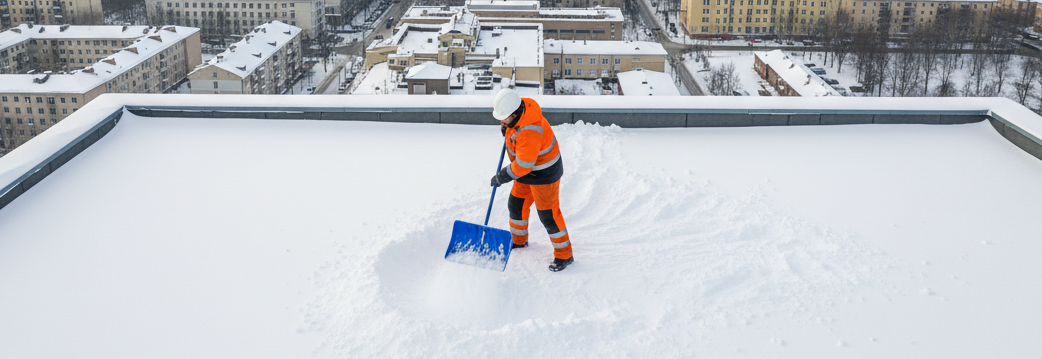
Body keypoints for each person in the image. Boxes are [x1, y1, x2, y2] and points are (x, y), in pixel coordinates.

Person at [489, 88, 574, 272]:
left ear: (515, 113)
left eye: (505, 118)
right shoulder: (518, 111)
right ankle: (519, 241)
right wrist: (508, 127)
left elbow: (522, 165)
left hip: (544, 174)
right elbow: (521, 155)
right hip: (527, 171)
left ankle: (564, 255)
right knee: (516, 205)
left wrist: (502, 176)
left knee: (548, 215)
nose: (502, 122)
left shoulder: (529, 130)